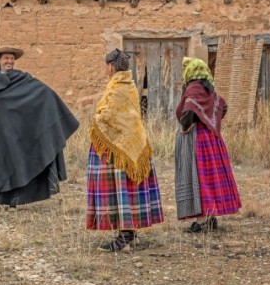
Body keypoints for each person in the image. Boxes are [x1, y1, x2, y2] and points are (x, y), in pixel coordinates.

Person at [0, 46, 79, 208]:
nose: (9, 61)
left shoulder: (23, 79)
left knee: (16, 161)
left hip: (17, 131)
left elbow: (44, 93)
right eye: (6, 58)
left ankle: (13, 199)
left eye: (12, 58)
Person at [86, 49, 164, 252]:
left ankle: (125, 236)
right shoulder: (129, 85)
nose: (105, 69)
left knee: (119, 189)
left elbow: (109, 115)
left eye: (106, 65)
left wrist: (96, 120)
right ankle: (130, 233)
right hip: (133, 143)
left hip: (118, 148)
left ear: (110, 66)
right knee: (129, 189)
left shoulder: (117, 88)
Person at [174, 57, 241, 233]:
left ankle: (202, 221)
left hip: (199, 141)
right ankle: (210, 218)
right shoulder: (208, 89)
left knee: (199, 178)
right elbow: (222, 106)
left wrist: (187, 125)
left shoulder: (193, 88)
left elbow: (188, 112)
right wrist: (212, 121)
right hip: (213, 140)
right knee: (210, 178)